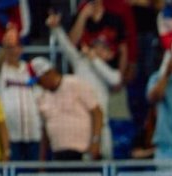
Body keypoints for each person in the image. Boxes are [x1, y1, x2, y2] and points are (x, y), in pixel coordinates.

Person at [47, 12, 120, 159]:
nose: (99, 49)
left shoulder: (110, 71)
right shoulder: (81, 63)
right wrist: (56, 29)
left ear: (110, 53)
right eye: (97, 46)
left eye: (103, 48)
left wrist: (95, 60)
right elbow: (67, 48)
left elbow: (115, 80)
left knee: (106, 167)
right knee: (86, 171)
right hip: (83, 126)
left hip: (102, 126)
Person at [29, 57, 103, 161]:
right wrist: (42, 159)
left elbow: (97, 113)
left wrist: (96, 141)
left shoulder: (76, 84)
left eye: (39, 81)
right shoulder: (42, 96)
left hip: (83, 152)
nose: (39, 85)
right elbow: (44, 129)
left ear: (49, 73)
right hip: (58, 153)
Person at [0, 28, 41, 161]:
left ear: (21, 49)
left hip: (32, 132)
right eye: (10, 48)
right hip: (10, 134)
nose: (13, 51)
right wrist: (6, 44)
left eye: (16, 47)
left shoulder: (30, 69)